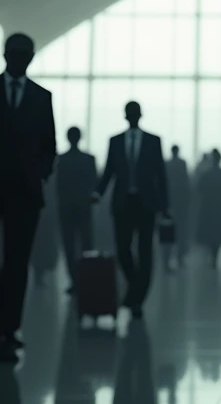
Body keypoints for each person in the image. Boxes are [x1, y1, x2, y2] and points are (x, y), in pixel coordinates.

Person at [0, 33, 56, 362]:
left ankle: (9, 329)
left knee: (17, 263)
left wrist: (39, 174)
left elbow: (49, 146)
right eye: (15, 54)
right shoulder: (39, 96)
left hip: (25, 192)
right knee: (14, 263)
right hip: (22, 189)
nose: (19, 60)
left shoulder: (40, 96)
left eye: (24, 55)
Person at [92, 101, 169, 318]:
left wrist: (165, 206)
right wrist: (98, 192)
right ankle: (135, 288)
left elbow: (160, 176)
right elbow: (109, 171)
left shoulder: (153, 141)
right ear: (127, 117)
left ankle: (137, 299)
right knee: (123, 249)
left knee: (145, 251)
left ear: (138, 116)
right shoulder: (115, 142)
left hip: (146, 204)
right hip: (123, 203)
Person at [55, 127, 97, 292]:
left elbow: (58, 186)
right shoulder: (89, 159)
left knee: (69, 246)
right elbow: (94, 183)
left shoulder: (62, 160)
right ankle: (87, 279)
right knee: (86, 245)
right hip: (84, 207)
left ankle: (75, 281)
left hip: (66, 208)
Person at [196, 149, 221, 268]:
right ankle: (214, 257)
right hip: (220, 209)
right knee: (218, 233)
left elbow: (199, 189)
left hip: (208, 208)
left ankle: (211, 255)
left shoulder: (206, 174)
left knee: (209, 233)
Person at [165, 145, 191, 270]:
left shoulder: (167, 164)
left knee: (169, 231)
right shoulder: (182, 164)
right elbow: (185, 182)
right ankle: (180, 258)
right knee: (181, 231)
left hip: (170, 201)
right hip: (181, 202)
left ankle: (167, 259)